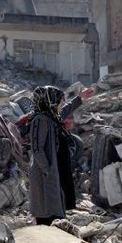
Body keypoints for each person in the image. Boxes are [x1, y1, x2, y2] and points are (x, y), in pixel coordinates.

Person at [28, 86, 77, 225]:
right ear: (52, 103)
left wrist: (79, 99)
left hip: (54, 170)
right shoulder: (41, 120)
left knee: (55, 205)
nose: (61, 105)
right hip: (46, 173)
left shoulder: (51, 118)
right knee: (47, 209)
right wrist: (47, 170)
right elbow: (37, 148)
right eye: (60, 102)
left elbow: (65, 111)